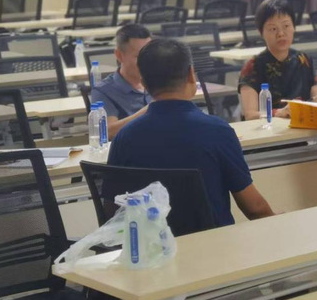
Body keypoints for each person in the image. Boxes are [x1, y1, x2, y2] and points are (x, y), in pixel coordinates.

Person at [108, 38, 274, 226]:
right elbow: (254, 208)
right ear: (191, 75)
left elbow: (112, 209)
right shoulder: (217, 131)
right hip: (215, 242)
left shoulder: (124, 137)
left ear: (144, 83)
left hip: (151, 242)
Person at [238, 0, 317, 120]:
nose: (281, 34)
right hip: (268, 130)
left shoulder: (304, 60)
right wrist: (278, 113)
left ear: (294, 27)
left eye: (286, 26)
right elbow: (250, 115)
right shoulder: (253, 66)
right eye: (273, 29)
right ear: (261, 32)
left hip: (301, 127)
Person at [90, 24, 153, 139]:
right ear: (119, 55)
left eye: (150, 55)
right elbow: (108, 132)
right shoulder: (103, 91)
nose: (147, 61)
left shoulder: (160, 80)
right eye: (139, 56)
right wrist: (151, 109)